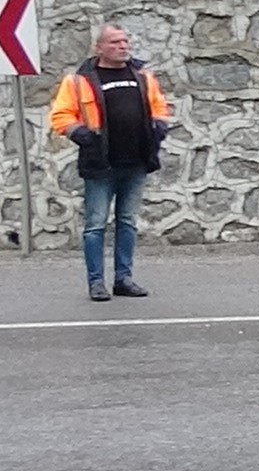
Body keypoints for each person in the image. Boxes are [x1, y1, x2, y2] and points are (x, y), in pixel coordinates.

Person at [47, 25, 173, 303]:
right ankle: (96, 282)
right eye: (116, 42)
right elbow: (61, 115)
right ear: (100, 48)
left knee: (127, 222)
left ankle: (123, 279)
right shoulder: (80, 81)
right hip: (100, 163)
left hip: (137, 160)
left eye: (126, 41)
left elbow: (160, 106)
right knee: (95, 225)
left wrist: (160, 125)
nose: (123, 46)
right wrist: (79, 134)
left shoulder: (142, 76)